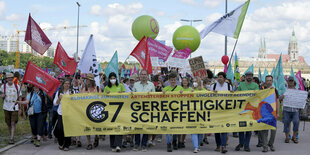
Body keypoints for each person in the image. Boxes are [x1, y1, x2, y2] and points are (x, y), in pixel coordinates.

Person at [235, 71, 259, 152]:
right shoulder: (241, 85)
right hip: (242, 109)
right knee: (241, 127)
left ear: (252, 77)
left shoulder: (255, 85)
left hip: (251, 110)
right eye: (248, 75)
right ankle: (241, 143)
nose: (249, 77)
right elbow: (237, 95)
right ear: (245, 77)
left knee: (249, 128)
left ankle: (246, 145)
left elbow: (257, 95)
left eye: (250, 76)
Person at [132, 70, 155, 152]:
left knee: (145, 127)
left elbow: (155, 97)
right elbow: (132, 96)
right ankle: (137, 143)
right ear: (139, 76)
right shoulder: (135, 85)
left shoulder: (151, 85)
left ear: (147, 76)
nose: (143, 76)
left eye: (145, 74)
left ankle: (144, 144)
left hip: (147, 108)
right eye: (142, 74)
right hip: (137, 109)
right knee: (137, 126)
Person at [104, 72, 125, 152]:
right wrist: (106, 94)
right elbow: (103, 98)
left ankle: (118, 145)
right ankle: (113, 145)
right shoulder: (106, 87)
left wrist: (122, 93)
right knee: (112, 127)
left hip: (120, 109)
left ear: (116, 78)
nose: (113, 79)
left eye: (114, 78)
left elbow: (126, 96)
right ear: (109, 79)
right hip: (110, 110)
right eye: (111, 78)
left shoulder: (120, 86)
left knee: (119, 126)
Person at [211, 72, 232, 154]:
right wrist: (213, 93)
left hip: (225, 111)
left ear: (224, 78)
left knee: (224, 129)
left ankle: (223, 146)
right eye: (218, 77)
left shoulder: (228, 86)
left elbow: (232, 97)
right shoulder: (214, 86)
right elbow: (209, 97)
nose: (219, 78)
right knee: (217, 129)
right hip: (216, 110)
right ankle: (218, 145)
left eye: (221, 77)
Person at [162, 72, 183, 152]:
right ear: (169, 80)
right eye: (171, 80)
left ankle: (174, 142)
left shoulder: (180, 88)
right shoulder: (166, 89)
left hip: (177, 111)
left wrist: (183, 93)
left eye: (174, 80)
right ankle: (169, 144)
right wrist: (162, 93)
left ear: (176, 80)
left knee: (175, 128)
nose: (173, 81)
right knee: (168, 129)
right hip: (168, 111)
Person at [258, 75, 279, 152]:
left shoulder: (275, 90)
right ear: (265, 81)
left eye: (270, 80)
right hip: (264, 114)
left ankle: (271, 144)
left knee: (273, 131)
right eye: (267, 80)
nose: (269, 82)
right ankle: (265, 146)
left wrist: (278, 112)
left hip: (272, 113)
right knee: (264, 131)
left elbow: (277, 101)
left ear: (272, 81)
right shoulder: (262, 89)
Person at [0, 73, 21, 144]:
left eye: (11, 78)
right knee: (8, 123)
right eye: (8, 78)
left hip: (14, 107)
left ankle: (11, 138)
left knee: (13, 123)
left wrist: (20, 107)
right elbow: (0, 94)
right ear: (6, 79)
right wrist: (1, 96)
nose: (10, 79)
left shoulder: (17, 86)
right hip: (6, 107)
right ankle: (11, 135)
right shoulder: (3, 86)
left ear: (13, 78)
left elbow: (20, 97)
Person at [280, 76, 300, 144]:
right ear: (287, 82)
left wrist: (304, 100)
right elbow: (279, 99)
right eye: (289, 81)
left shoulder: (297, 90)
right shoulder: (284, 90)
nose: (291, 82)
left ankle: (294, 137)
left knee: (296, 122)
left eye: (292, 81)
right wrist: (281, 97)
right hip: (286, 110)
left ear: (293, 82)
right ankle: (287, 137)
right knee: (286, 123)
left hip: (295, 110)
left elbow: (300, 99)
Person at [53, 79, 72, 151]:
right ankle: (61, 143)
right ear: (63, 84)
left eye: (68, 83)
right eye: (66, 83)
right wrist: (59, 99)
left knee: (68, 129)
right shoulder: (59, 92)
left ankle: (67, 145)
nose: (67, 85)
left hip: (69, 113)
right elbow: (55, 103)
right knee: (60, 129)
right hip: (60, 113)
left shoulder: (71, 92)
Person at [82, 73, 99, 150]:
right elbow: (80, 97)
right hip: (86, 109)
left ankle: (96, 136)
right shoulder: (84, 88)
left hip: (95, 109)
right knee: (87, 126)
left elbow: (101, 98)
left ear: (92, 80)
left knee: (95, 126)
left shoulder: (97, 88)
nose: (87, 81)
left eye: (88, 79)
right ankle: (89, 143)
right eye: (86, 79)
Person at [191, 76, 205, 153]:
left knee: (200, 132)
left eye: (196, 81)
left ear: (199, 82)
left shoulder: (204, 90)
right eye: (193, 81)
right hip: (192, 114)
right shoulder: (191, 90)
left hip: (202, 114)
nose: (194, 82)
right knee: (194, 131)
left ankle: (198, 145)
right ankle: (195, 147)